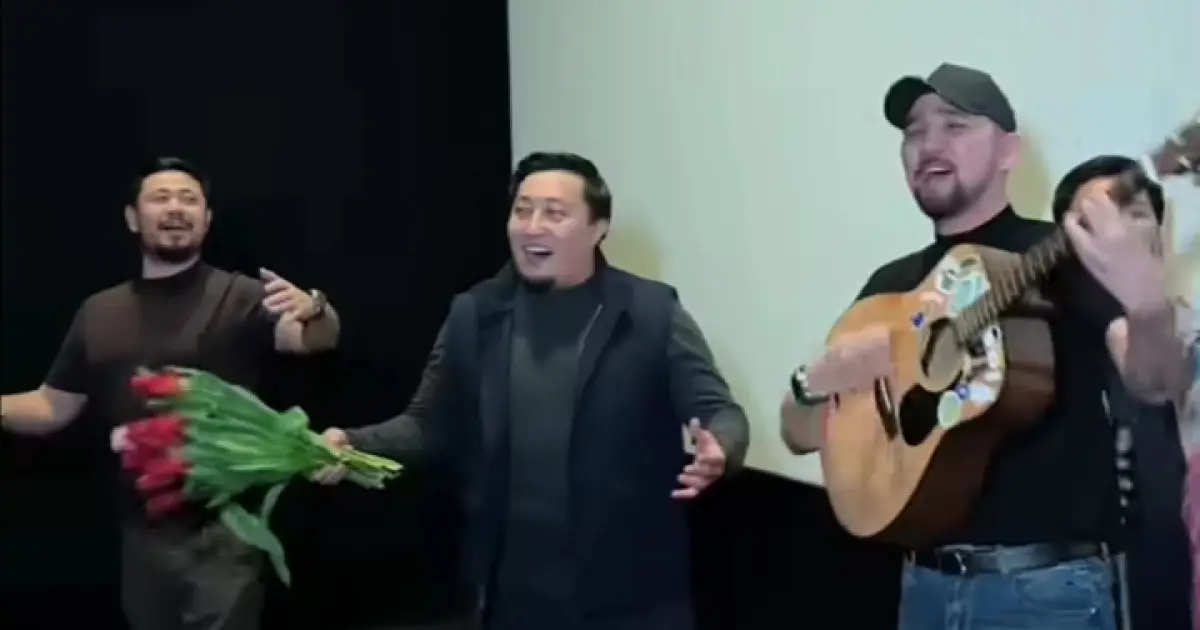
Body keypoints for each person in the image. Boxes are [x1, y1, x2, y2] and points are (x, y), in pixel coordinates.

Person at [777, 63, 1190, 629]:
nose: (929, 144)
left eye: (955, 125)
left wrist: (1147, 305)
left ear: (1008, 152)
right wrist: (815, 382)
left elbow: (1157, 381)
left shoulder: (1062, 256)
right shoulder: (890, 289)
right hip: (922, 588)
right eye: (914, 132)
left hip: (1048, 596)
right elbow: (798, 434)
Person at [318, 152, 749, 630]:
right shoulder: (476, 314)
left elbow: (720, 410)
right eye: (522, 211)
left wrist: (721, 447)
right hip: (511, 599)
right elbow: (426, 424)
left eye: (554, 213)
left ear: (598, 228)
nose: (532, 226)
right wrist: (352, 443)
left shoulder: (650, 312)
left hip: (633, 598)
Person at [0, 156, 342, 630]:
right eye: (160, 198)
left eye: (189, 199)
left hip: (224, 530)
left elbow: (315, 339)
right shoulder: (98, 312)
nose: (176, 208)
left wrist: (316, 308)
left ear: (207, 218)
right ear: (132, 217)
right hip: (141, 532)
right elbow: (52, 406)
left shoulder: (240, 295)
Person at [1051, 155, 1196, 630]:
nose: (1118, 234)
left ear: (1160, 231)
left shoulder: (1191, 334)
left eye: (1134, 214)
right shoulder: (1042, 352)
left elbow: (1158, 380)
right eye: (1095, 222)